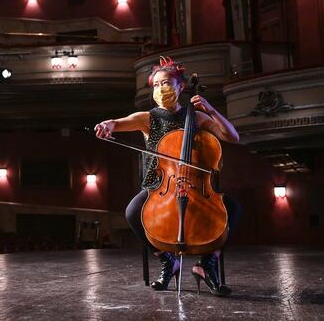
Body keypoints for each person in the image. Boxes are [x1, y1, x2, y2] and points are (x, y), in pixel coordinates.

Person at [94, 56, 241, 296]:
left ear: (180, 86)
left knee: (232, 210)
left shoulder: (197, 118)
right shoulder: (148, 118)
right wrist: (107, 124)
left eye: (166, 83)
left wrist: (211, 110)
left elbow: (232, 136)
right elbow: (119, 123)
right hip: (159, 186)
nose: (161, 89)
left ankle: (207, 264)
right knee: (133, 213)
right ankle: (168, 260)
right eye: (156, 84)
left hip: (196, 186)